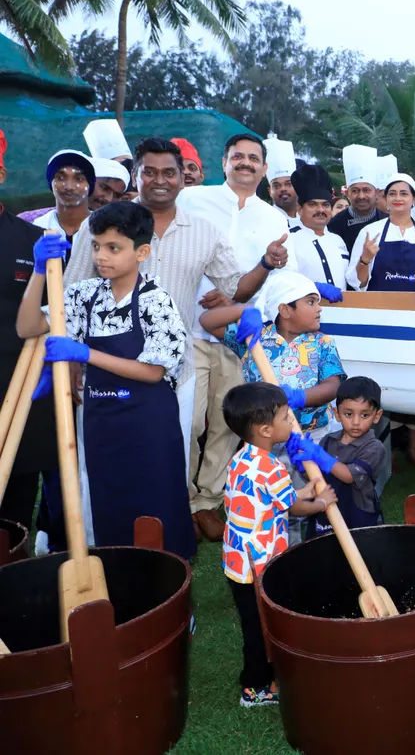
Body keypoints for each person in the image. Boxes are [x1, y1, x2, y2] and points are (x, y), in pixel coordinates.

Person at [64, 137, 271, 544]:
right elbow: (71, 294)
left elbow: (236, 286)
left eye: (169, 172)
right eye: (150, 171)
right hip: (102, 369)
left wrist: (266, 264)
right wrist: (73, 363)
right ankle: (97, 548)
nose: (160, 180)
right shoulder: (102, 224)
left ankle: (162, 552)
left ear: (182, 178)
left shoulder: (204, 233)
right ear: (137, 175)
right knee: (98, 465)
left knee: (164, 463)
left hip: (172, 372)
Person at [18, 203, 195, 560]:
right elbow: (26, 327)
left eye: (113, 248)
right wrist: (39, 272)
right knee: (109, 506)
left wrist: (86, 355)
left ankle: (170, 594)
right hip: (102, 424)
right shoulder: (84, 296)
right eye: (97, 246)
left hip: (148, 426)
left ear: (141, 252)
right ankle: (120, 582)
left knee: (156, 511)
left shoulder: (156, 301)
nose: (101, 256)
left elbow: (152, 371)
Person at [178, 132, 295, 541]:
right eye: (238, 157)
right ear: (224, 162)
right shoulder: (192, 200)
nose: (245, 163)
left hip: (241, 337)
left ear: (264, 169)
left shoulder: (273, 217)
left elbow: (278, 276)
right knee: (188, 421)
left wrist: (234, 299)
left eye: (253, 159)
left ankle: (209, 501)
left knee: (230, 422)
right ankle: (181, 500)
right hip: (188, 327)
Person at [201, 271, 346, 543]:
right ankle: (286, 552)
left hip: (313, 436)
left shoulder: (322, 342)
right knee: (283, 501)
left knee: (319, 496)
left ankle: (322, 545)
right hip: (268, 442)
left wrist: (300, 397)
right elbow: (206, 320)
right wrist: (247, 310)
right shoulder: (253, 338)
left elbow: (333, 386)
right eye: (311, 302)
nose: (319, 309)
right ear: (285, 309)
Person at [221, 381, 335, 707]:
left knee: (255, 620)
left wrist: (304, 491)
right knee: (258, 627)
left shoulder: (242, 459)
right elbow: (292, 507)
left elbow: (270, 499)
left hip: (238, 561)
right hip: (258, 563)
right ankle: (254, 687)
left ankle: (266, 674)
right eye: (287, 417)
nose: (292, 422)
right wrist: (322, 501)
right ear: (267, 430)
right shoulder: (273, 467)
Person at [0, 179, 57, 540]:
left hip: (20, 381)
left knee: (18, 488)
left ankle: (14, 562)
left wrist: (52, 366)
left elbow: (53, 313)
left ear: (2, 173)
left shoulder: (30, 239)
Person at [287, 376, 386, 537]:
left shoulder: (374, 447)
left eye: (364, 415)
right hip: (324, 515)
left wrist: (320, 455)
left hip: (356, 521)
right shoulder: (329, 440)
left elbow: (348, 476)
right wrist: (301, 464)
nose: (355, 422)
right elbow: (316, 477)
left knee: (355, 559)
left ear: (377, 416)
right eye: (348, 414)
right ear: (337, 414)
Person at [347, 174, 415, 297]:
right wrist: (364, 261)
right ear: (386, 199)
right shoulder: (370, 232)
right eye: (392, 194)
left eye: (404, 194)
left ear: (414, 199)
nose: (398, 198)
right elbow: (357, 283)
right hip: (378, 310)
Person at [291, 162, 348, 293]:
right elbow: (282, 280)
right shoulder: (290, 239)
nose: (320, 210)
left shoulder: (338, 240)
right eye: (312, 204)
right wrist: (314, 287)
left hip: (343, 311)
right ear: (299, 209)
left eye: (325, 205)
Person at [327, 144, 386, 253]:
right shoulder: (334, 225)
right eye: (355, 191)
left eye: (366, 190)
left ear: (376, 192)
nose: (361, 196)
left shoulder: (387, 221)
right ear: (348, 193)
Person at [23, 150, 94, 238]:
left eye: (79, 179)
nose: (69, 187)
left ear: (90, 184)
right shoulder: (37, 227)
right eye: (60, 178)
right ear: (51, 183)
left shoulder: (104, 227)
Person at [263, 135, 301, 232]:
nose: (283, 189)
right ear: (269, 191)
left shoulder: (308, 219)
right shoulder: (265, 220)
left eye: (288, 184)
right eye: (276, 186)